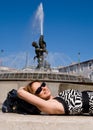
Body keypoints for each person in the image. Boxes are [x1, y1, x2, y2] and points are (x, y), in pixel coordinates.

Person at [17, 80, 93, 115]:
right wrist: (25, 89)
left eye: (43, 84)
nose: (43, 88)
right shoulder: (50, 105)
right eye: (39, 90)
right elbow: (20, 93)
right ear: (34, 97)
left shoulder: (58, 97)